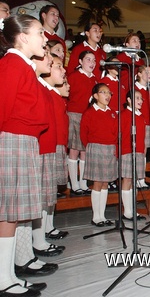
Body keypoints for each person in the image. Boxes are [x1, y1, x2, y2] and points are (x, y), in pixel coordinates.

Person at [0, 14, 51, 296]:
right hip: (12, 142)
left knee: (13, 214)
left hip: (24, 142)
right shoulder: (11, 65)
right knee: (7, 213)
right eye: (40, 32)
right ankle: (2, 279)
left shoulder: (23, 66)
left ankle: (8, 275)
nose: (45, 38)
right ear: (23, 37)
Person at [80, 83, 118, 226]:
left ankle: (102, 215)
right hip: (95, 148)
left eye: (109, 93)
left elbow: (115, 133)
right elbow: (84, 134)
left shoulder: (112, 113)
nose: (107, 95)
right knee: (97, 183)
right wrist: (92, 147)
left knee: (105, 184)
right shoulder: (89, 112)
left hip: (109, 149)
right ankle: (96, 217)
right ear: (95, 96)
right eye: (103, 92)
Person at [43, 55, 70, 238]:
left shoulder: (59, 99)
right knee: (46, 192)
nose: (68, 86)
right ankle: (43, 231)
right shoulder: (50, 95)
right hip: (50, 146)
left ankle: (48, 226)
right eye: (66, 83)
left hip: (59, 145)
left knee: (51, 192)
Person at [66, 51, 97, 195]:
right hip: (74, 115)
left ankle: (84, 183)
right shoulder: (73, 77)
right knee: (74, 150)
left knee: (85, 151)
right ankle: (73, 184)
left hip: (88, 117)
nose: (91, 63)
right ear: (80, 61)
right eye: (88, 59)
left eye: (94, 60)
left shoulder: (95, 80)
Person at [120, 90, 147, 220]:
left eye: (141, 98)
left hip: (139, 152)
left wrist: (143, 151)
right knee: (127, 180)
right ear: (129, 100)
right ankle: (127, 211)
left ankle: (133, 209)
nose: (140, 101)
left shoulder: (141, 117)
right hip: (127, 151)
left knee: (134, 181)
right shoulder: (125, 115)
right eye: (137, 98)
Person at [134, 65, 150, 189]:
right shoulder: (135, 89)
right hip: (137, 122)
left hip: (147, 123)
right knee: (137, 151)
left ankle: (141, 177)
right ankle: (136, 178)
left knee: (144, 151)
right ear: (139, 74)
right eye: (146, 72)